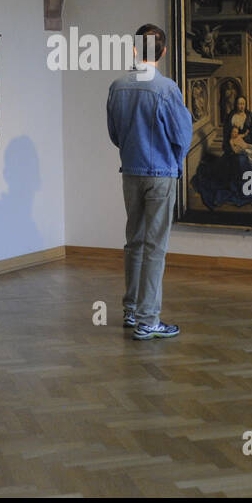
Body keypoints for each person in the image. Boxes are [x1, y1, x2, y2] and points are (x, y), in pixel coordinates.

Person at [106, 23, 192, 341]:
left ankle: (131, 310)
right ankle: (148, 319)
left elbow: (114, 134)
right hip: (160, 175)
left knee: (135, 242)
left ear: (134, 49)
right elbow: (183, 136)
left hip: (131, 172)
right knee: (155, 246)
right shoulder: (166, 88)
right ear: (163, 52)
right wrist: (174, 161)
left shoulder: (118, 87)